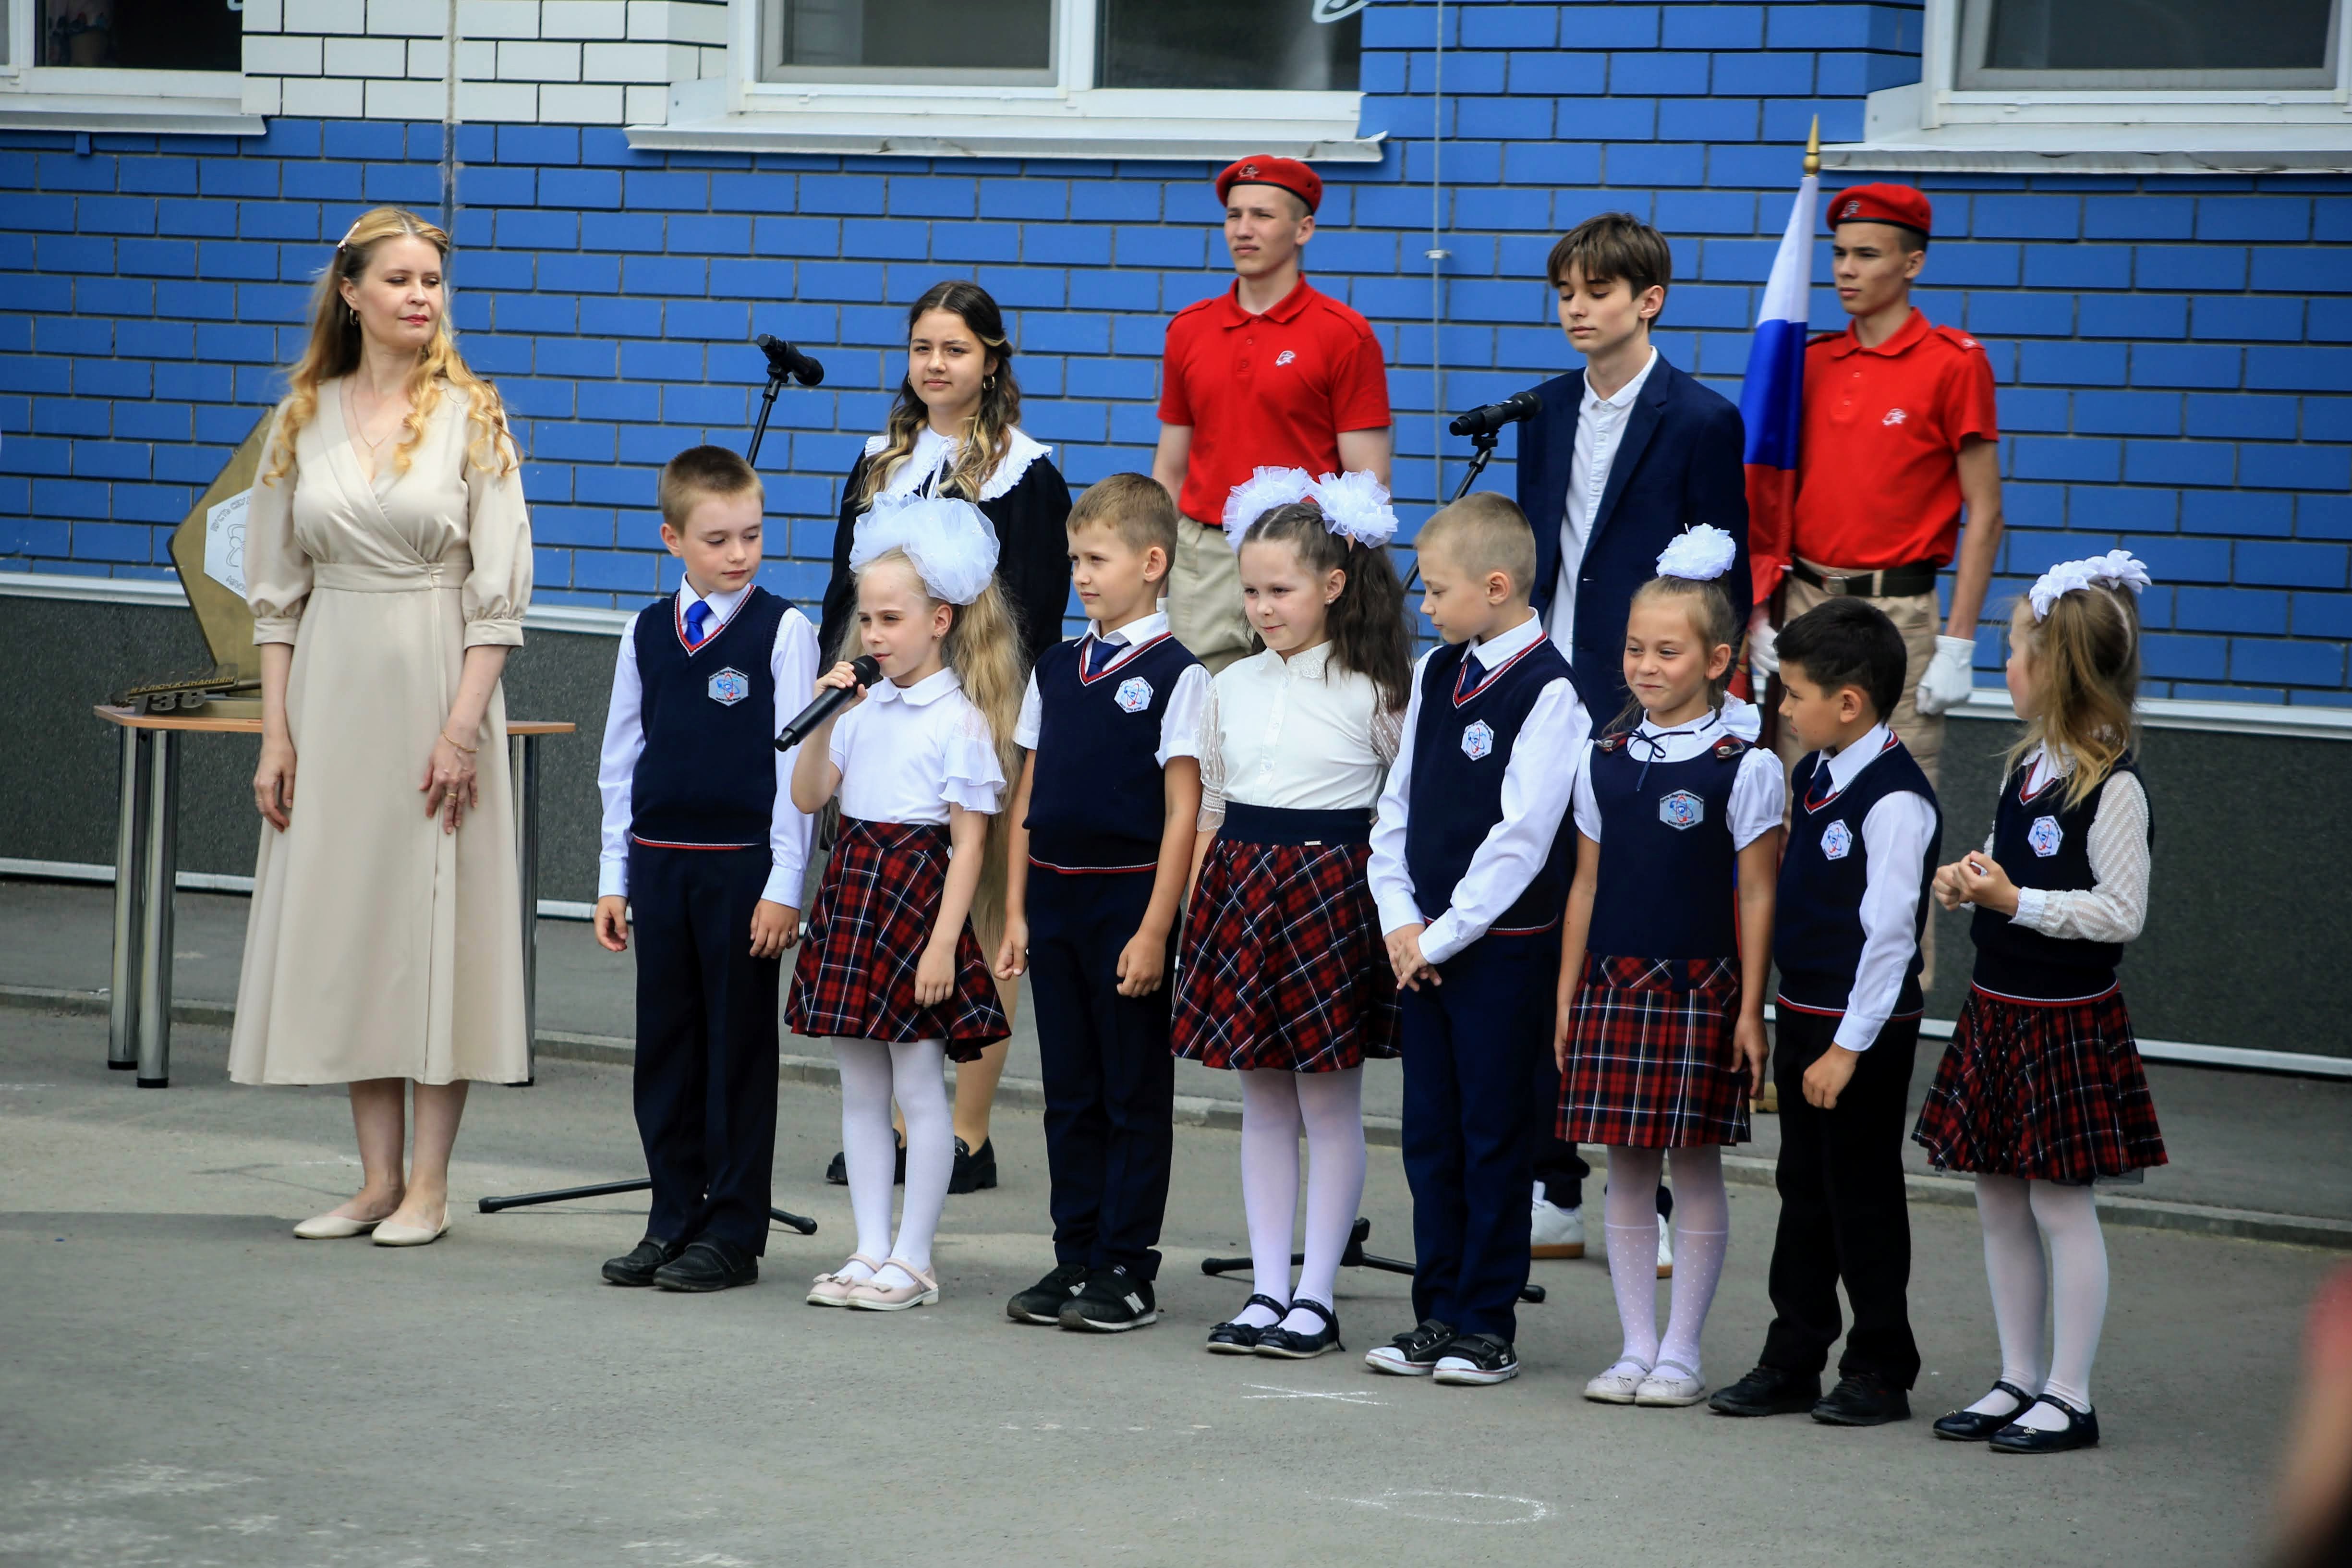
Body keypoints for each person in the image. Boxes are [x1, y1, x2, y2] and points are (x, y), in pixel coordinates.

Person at [233, 206, 532, 1248]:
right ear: (352, 294)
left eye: (433, 281)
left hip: (440, 682)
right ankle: (374, 1180)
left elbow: (499, 596)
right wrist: (278, 734)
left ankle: (429, 1188)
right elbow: (275, 597)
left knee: (438, 925)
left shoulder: (474, 416)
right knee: (358, 921)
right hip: (333, 690)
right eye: (399, 279)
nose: (420, 296)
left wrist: (460, 729)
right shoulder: (300, 418)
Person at [1518, 212, 1750, 1277]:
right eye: (1566, 290)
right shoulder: (1543, 410)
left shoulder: (1699, 419)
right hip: (1550, 685)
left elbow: (1720, 576)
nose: (1577, 308)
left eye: (1599, 291)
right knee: (1544, 916)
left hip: (1641, 694)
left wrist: (1705, 705)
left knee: (1629, 925)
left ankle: (1643, 1186)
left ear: (1647, 301)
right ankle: (1552, 1181)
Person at [1913, 550, 2167, 1455]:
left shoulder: (2113, 784)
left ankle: (2069, 1394)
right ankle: (2017, 1377)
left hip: (2063, 1021)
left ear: (2055, 668)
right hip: (1998, 1008)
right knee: (1997, 1198)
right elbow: (2002, 864)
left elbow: (2120, 912)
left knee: (2061, 1206)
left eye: (2014, 653)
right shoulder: (2024, 768)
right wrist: (1966, 878)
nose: (2005, 668)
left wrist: (2015, 900)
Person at [820, 279, 1071, 1191]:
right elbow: (844, 592)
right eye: (923, 347)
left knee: (977, 911)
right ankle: (896, 1123)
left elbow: (1037, 610)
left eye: (956, 349)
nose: (935, 364)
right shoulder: (878, 460)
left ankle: (966, 1129)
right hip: (883, 700)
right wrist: (839, 689)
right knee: (896, 903)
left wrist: (995, 717)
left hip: (978, 704)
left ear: (992, 362)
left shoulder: (1025, 472)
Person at [1176, 472, 1410, 1361]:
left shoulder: (1376, 690)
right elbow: (1211, 806)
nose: (1263, 607)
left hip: (1330, 894)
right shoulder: (1227, 685)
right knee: (1262, 1098)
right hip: (1241, 890)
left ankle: (1316, 1298)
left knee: (1327, 1100)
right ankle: (1267, 1288)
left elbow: (1404, 810)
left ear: (1334, 584)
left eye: (1280, 589)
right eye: (1250, 591)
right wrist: (1196, 916)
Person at [1554, 528, 1783, 1408]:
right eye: (1633, 648)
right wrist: (1567, 996)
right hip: (1611, 984)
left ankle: (1681, 1353)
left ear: (1718, 661)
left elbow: (1756, 893)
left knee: (1693, 1165)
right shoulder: (1603, 761)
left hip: (1700, 990)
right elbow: (1584, 885)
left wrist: (1749, 1010)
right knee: (1624, 1165)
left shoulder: (1744, 767)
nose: (1644, 667)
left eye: (1666, 651)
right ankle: (1634, 1346)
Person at [589, 446, 820, 1293]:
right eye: (718, 539)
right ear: (672, 539)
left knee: (736, 1053)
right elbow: (621, 760)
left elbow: (797, 770)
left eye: (751, 535)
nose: (739, 554)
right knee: (667, 1048)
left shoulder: (782, 631)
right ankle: (671, 1217)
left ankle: (732, 1230)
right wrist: (613, 875)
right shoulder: (646, 632)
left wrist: (784, 884)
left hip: (739, 871)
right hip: (659, 866)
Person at [1364, 492, 1580, 1388]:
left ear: (1494, 587)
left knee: (1493, 1135)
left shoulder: (1550, 691)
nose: (1423, 605)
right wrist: (1397, 916)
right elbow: (1398, 804)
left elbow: (1521, 838)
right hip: (1423, 947)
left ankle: (1486, 1321)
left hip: (1494, 952)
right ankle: (1437, 1311)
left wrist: (1442, 935)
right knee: (1431, 1136)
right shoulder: (1435, 673)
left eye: (1436, 589)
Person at [789, 493, 1024, 1312]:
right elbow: (809, 795)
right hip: (855, 891)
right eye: (866, 619)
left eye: (891, 619)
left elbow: (970, 846)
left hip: (917, 902)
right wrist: (824, 720)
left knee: (918, 1087)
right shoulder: (860, 710)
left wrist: (942, 944)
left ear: (940, 621)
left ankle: (914, 1258)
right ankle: (868, 1246)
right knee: (859, 1087)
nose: (874, 635)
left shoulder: (958, 721)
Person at [1708, 596, 1940, 1425]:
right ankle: (1793, 1356)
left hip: (1862, 1030)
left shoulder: (1894, 800)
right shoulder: (1812, 774)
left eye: (1794, 693)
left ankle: (1880, 1367)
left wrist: (1846, 1048)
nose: (1781, 709)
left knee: (1861, 1194)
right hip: (1805, 1011)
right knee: (1802, 1188)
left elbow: (1888, 937)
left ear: (1847, 703)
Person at [994, 474, 1207, 1332]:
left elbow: (1183, 811)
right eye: (1074, 559)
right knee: (1069, 1090)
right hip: (1054, 898)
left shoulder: (1177, 675)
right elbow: (1028, 793)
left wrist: (1156, 928)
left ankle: (1126, 1266)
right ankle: (1074, 1253)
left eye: (1096, 559)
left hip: (1127, 903)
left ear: (1151, 564)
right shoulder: (1055, 665)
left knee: (1130, 1091)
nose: (1080, 575)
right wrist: (1015, 910)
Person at [1753, 183, 2004, 808]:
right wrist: (1760, 612)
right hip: (1807, 602)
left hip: (1898, 614)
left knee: (1895, 805)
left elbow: (1985, 512)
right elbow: (1768, 493)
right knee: (1799, 799)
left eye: (1866, 254)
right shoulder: (1812, 362)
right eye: (1839, 253)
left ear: (1911, 262)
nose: (1845, 269)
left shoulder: (1953, 362)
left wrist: (1959, 643)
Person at [1153, 156, 1393, 675]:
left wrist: (1335, 573)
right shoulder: (1188, 330)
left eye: (1262, 215)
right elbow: (1170, 468)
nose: (1243, 230)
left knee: (1303, 700)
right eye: (1233, 215)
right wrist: (1157, 569)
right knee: (1198, 703)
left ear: (1303, 229)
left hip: (1303, 559)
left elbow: (1368, 481)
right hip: (1205, 559)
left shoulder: (1344, 334)